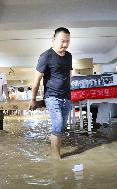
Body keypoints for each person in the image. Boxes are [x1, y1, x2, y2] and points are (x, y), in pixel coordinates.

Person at [30, 27, 72, 159]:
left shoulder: (69, 56)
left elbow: (68, 76)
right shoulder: (46, 56)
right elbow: (36, 80)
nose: (65, 44)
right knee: (58, 124)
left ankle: (55, 147)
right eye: (62, 41)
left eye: (67, 41)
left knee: (62, 127)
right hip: (52, 96)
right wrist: (33, 99)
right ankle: (56, 158)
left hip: (66, 97)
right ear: (53, 39)